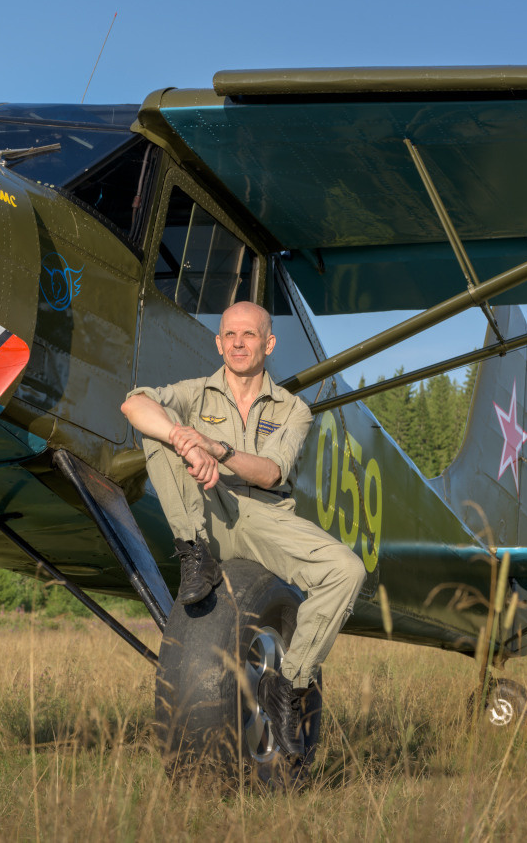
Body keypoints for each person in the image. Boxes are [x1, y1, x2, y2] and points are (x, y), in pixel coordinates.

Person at [120, 300, 365, 758]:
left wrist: (215, 448)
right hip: (204, 511)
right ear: (218, 343)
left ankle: (289, 687)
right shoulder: (196, 392)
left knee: (346, 570)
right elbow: (133, 404)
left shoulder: (294, 410)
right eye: (229, 334)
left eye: (249, 335)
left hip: (262, 517)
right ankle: (194, 556)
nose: (238, 342)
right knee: (159, 433)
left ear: (268, 343)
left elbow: (271, 472)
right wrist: (185, 443)